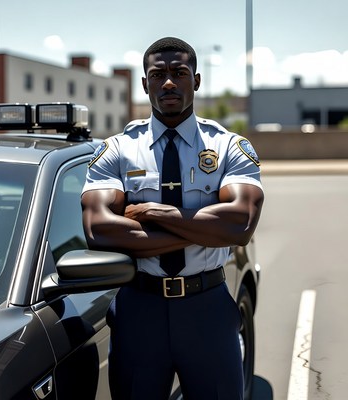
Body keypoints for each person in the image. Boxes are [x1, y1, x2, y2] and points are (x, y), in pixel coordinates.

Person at [81, 36, 264, 400]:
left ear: (195, 80)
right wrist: (207, 230)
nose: (168, 82)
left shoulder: (227, 146)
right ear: (145, 83)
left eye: (179, 73)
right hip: (139, 310)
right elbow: (98, 229)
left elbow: (241, 223)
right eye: (157, 74)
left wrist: (151, 213)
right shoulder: (118, 149)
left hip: (207, 308)